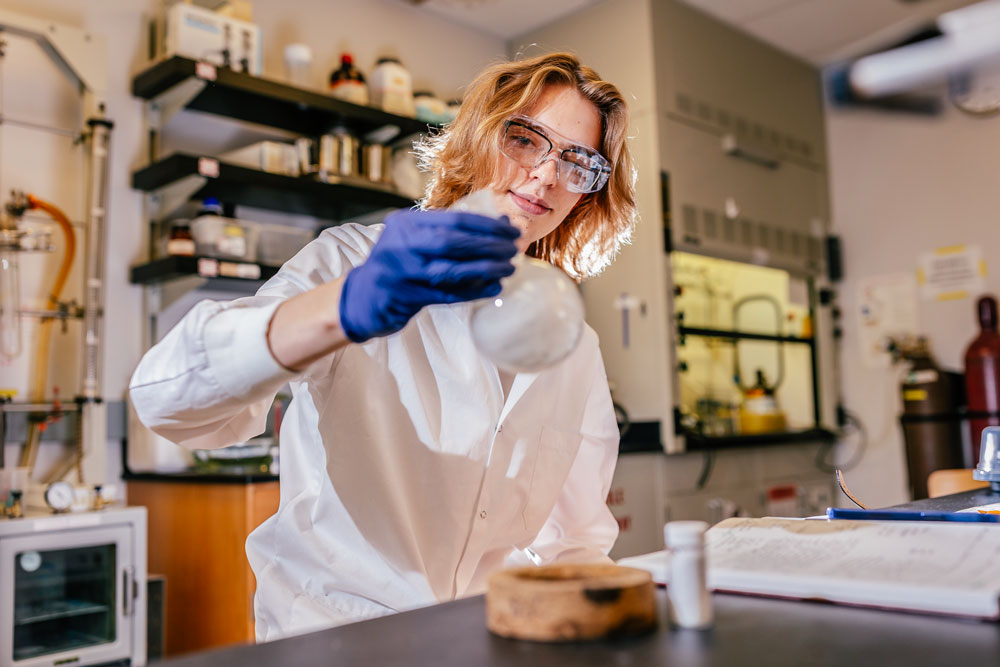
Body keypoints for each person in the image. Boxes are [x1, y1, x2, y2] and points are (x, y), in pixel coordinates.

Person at [130, 51, 636, 641]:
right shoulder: (350, 260)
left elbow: (576, 544)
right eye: (524, 139)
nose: (547, 175)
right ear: (475, 137)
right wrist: (345, 306)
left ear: (588, 192)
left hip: (485, 637)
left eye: (578, 162)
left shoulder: (571, 339)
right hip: (338, 637)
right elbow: (166, 402)